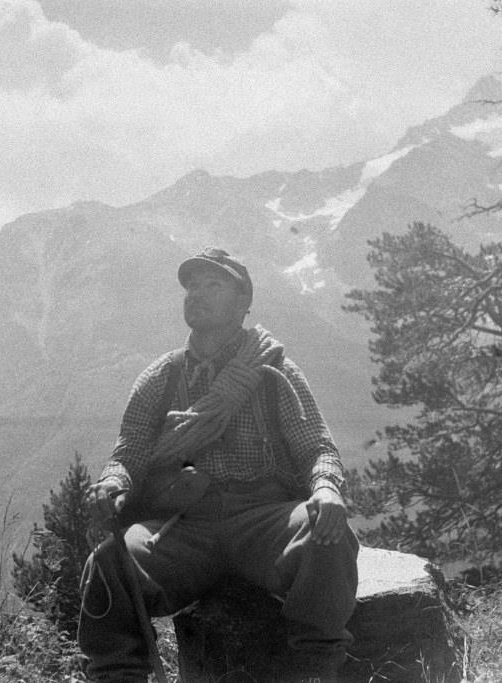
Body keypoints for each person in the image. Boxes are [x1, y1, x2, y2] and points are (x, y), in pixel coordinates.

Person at [79, 247, 359, 682]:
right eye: (192, 286)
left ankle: (315, 670)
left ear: (244, 302)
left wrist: (325, 488)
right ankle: (117, 675)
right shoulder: (162, 377)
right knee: (112, 561)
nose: (197, 294)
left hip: (264, 519)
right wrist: (113, 484)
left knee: (326, 533)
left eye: (213, 285)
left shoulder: (274, 372)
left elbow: (317, 448)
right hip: (185, 525)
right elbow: (128, 453)